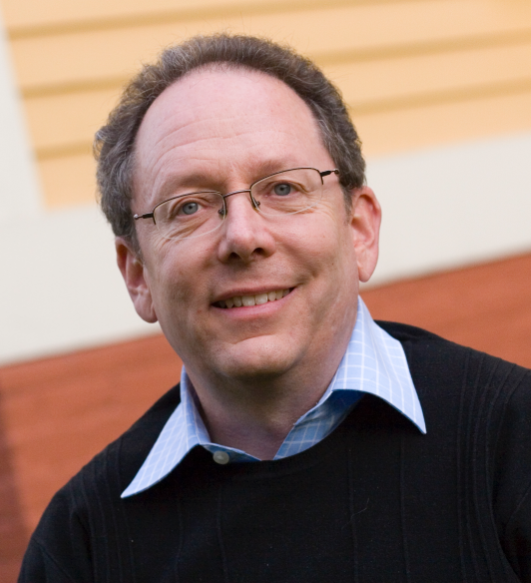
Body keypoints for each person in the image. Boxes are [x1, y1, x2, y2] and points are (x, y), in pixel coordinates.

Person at [19, 34, 531, 583]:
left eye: (283, 188)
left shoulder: (512, 441)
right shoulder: (82, 546)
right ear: (138, 275)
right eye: (188, 206)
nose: (243, 237)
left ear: (358, 229)